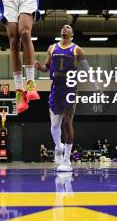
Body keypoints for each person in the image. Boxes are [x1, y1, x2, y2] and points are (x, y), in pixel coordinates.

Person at [35, 25, 95, 172]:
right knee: (55, 125)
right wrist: (39, 67)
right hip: (55, 89)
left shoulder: (77, 49)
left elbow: (87, 70)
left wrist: (95, 86)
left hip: (70, 89)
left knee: (67, 123)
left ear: (72, 33)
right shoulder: (52, 48)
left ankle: (67, 160)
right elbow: (47, 67)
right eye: (63, 27)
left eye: (68, 27)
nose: (64, 28)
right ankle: (58, 146)